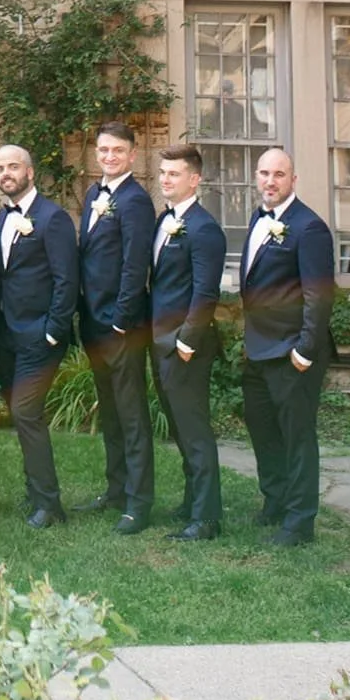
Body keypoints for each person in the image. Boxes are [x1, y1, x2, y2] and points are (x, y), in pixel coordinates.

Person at [239, 147, 335, 548]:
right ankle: (275, 502)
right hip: (258, 348)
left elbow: (319, 296)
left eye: (279, 174)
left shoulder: (308, 228)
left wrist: (305, 349)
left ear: (293, 180)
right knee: (264, 432)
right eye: (264, 173)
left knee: (297, 438)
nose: (270, 181)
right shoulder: (258, 219)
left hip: (292, 352)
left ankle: (300, 522)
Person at [0, 142, 77, 529]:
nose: (5, 174)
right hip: (6, 335)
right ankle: (34, 491)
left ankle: (49, 504)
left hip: (40, 335)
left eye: (12, 167)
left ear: (30, 172)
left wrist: (53, 333)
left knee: (27, 412)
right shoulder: (1, 218)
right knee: (22, 415)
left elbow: (66, 280)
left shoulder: (52, 218)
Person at [76, 120, 158, 533]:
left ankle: (139, 504)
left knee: (130, 415)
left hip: (121, 326)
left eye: (117, 151)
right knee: (110, 412)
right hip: (94, 323)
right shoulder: (94, 194)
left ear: (132, 155)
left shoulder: (135, 201)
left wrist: (122, 320)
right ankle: (116, 490)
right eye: (103, 150)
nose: (108, 157)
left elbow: (134, 265)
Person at [149, 143, 226, 541]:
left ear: (194, 179)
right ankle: (192, 501)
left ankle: (207, 518)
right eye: (162, 173)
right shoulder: (166, 219)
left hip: (185, 347)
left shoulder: (204, 228)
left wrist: (186, 342)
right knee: (180, 429)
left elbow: (205, 293)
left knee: (194, 431)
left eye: (174, 173)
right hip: (160, 342)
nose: (165, 179)